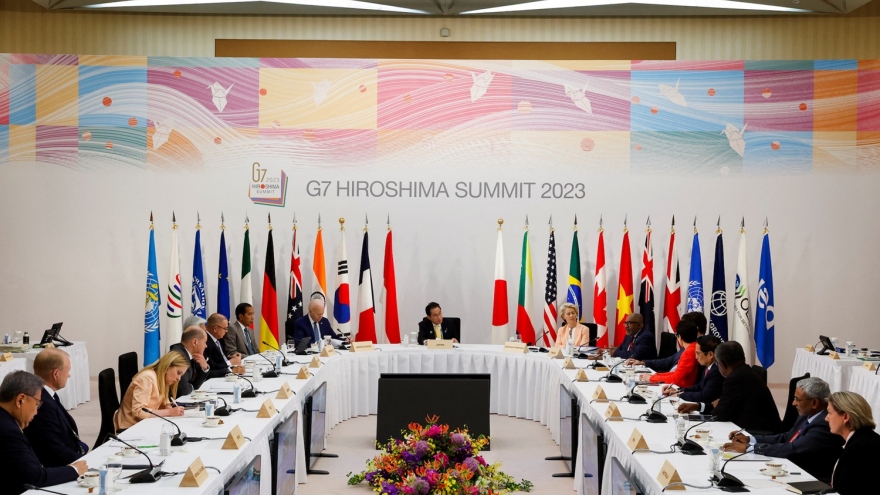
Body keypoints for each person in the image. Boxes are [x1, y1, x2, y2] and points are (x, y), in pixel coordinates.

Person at [723, 377, 842, 483]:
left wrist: (750, 448)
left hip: (811, 477)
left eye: (797, 399)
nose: (793, 403)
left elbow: (793, 449)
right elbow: (788, 437)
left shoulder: (824, 424)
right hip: (792, 466)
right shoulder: (807, 415)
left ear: (814, 402)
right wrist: (751, 439)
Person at [1, 371, 87, 494]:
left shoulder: (6, 420)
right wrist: (74, 470)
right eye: (37, 404)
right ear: (20, 400)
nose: (36, 412)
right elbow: (34, 477)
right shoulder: (8, 431)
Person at [677, 341, 780, 433]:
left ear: (722, 365)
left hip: (758, 433)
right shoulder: (746, 372)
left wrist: (716, 406)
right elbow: (722, 407)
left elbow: (719, 414)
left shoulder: (735, 379)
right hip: (758, 427)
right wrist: (698, 406)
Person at [23, 349, 89, 467]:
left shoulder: (47, 395)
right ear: (55, 374)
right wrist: (88, 461)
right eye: (67, 371)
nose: (68, 375)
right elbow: (54, 451)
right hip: (64, 466)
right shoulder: (42, 404)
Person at [113, 351, 189, 431]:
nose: (179, 378)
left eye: (181, 375)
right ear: (167, 366)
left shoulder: (162, 379)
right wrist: (169, 412)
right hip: (130, 428)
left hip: (145, 424)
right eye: (178, 373)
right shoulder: (147, 378)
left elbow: (161, 401)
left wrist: (166, 406)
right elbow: (138, 411)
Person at [825, 391, 880, 494]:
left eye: (829, 413)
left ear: (845, 417)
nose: (826, 418)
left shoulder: (860, 449)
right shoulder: (863, 439)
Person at [629, 312, 706, 371]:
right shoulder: (688, 344)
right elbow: (669, 361)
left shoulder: (702, 347)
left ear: (696, 328)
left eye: (684, 325)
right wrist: (644, 363)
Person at [662, 335, 723, 405]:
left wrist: (679, 395)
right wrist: (678, 390)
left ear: (710, 355)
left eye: (698, 353)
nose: (696, 357)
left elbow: (704, 396)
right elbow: (699, 386)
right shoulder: (709, 366)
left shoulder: (717, 371)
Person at [639, 319, 700, 387]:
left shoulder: (689, 352)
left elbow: (675, 378)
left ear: (680, 337)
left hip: (680, 388)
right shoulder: (692, 348)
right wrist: (654, 375)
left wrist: (651, 378)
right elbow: (675, 373)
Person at [170, 326, 210, 397]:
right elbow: (184, 390)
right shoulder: (179, 356)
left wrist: (204, 368)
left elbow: (196, 385)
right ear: (195, 342)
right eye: (204, 342)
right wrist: (192, 387)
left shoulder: (192, 355)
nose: (206, 346)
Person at [203, 313, 245, 377]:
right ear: (215, 328)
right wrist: (230, 363)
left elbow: (220, 358)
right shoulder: (205, 342)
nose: (226, 331)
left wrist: (230, 357)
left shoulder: (219, 339)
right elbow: (211, 368)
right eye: (225, 328)